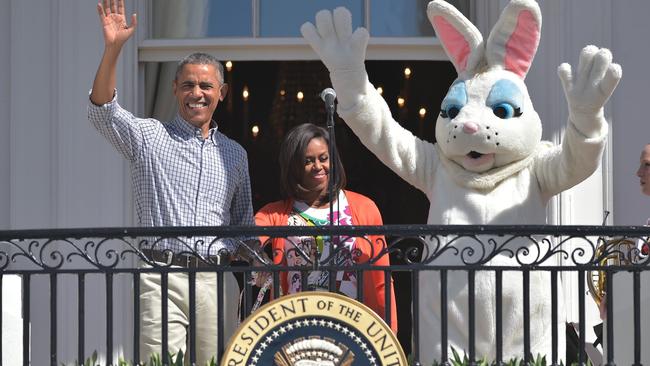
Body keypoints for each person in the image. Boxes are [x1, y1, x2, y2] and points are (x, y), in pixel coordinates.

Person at [87, 1, 257, 363]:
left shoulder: (235, 154)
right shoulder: (150, 136)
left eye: (206, 86)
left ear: (221, 94)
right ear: (175, 89)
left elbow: (244, 227)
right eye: (189, 85)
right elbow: (103, 112)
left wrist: (273, 259)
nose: (198, 93)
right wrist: (113, 50)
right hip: (160, 276)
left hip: (215, 280)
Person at [254, 123, 398, 334]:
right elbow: (247, 238)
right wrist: (257, 259)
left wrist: (388, 334)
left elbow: (381, 279)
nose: (318, 166)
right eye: (308, 161)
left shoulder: (364, 207)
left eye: (323, 158)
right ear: (294, 167)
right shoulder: (277, 213)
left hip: (353, 325)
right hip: (296, 326)